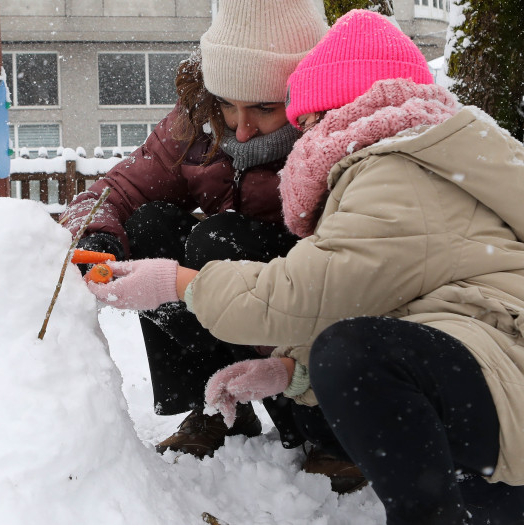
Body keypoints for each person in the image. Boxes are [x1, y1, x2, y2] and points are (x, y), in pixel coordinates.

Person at [83, 10, 524, 525]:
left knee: (351, 353)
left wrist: (177, 283)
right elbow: (381, 300)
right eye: (228, 106)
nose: (299, 136)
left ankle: (401, 489)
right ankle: (503, 510)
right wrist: (290, 371)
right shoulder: (400, 160)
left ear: (343, 111)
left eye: (300, 118)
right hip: (513, 374)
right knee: (349, 351)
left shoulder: (393, 176)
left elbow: (313, 292)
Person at [60, 0, 336, 465]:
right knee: (150, 225)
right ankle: (214, 406)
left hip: (306, 291)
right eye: (227, 104)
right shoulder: (197, 124)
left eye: (264, 108)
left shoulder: (335, 134)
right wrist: (95, 239)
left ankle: (321, 423)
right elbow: (118, 190)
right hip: (227, 285)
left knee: (218, 241)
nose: (241, 130)